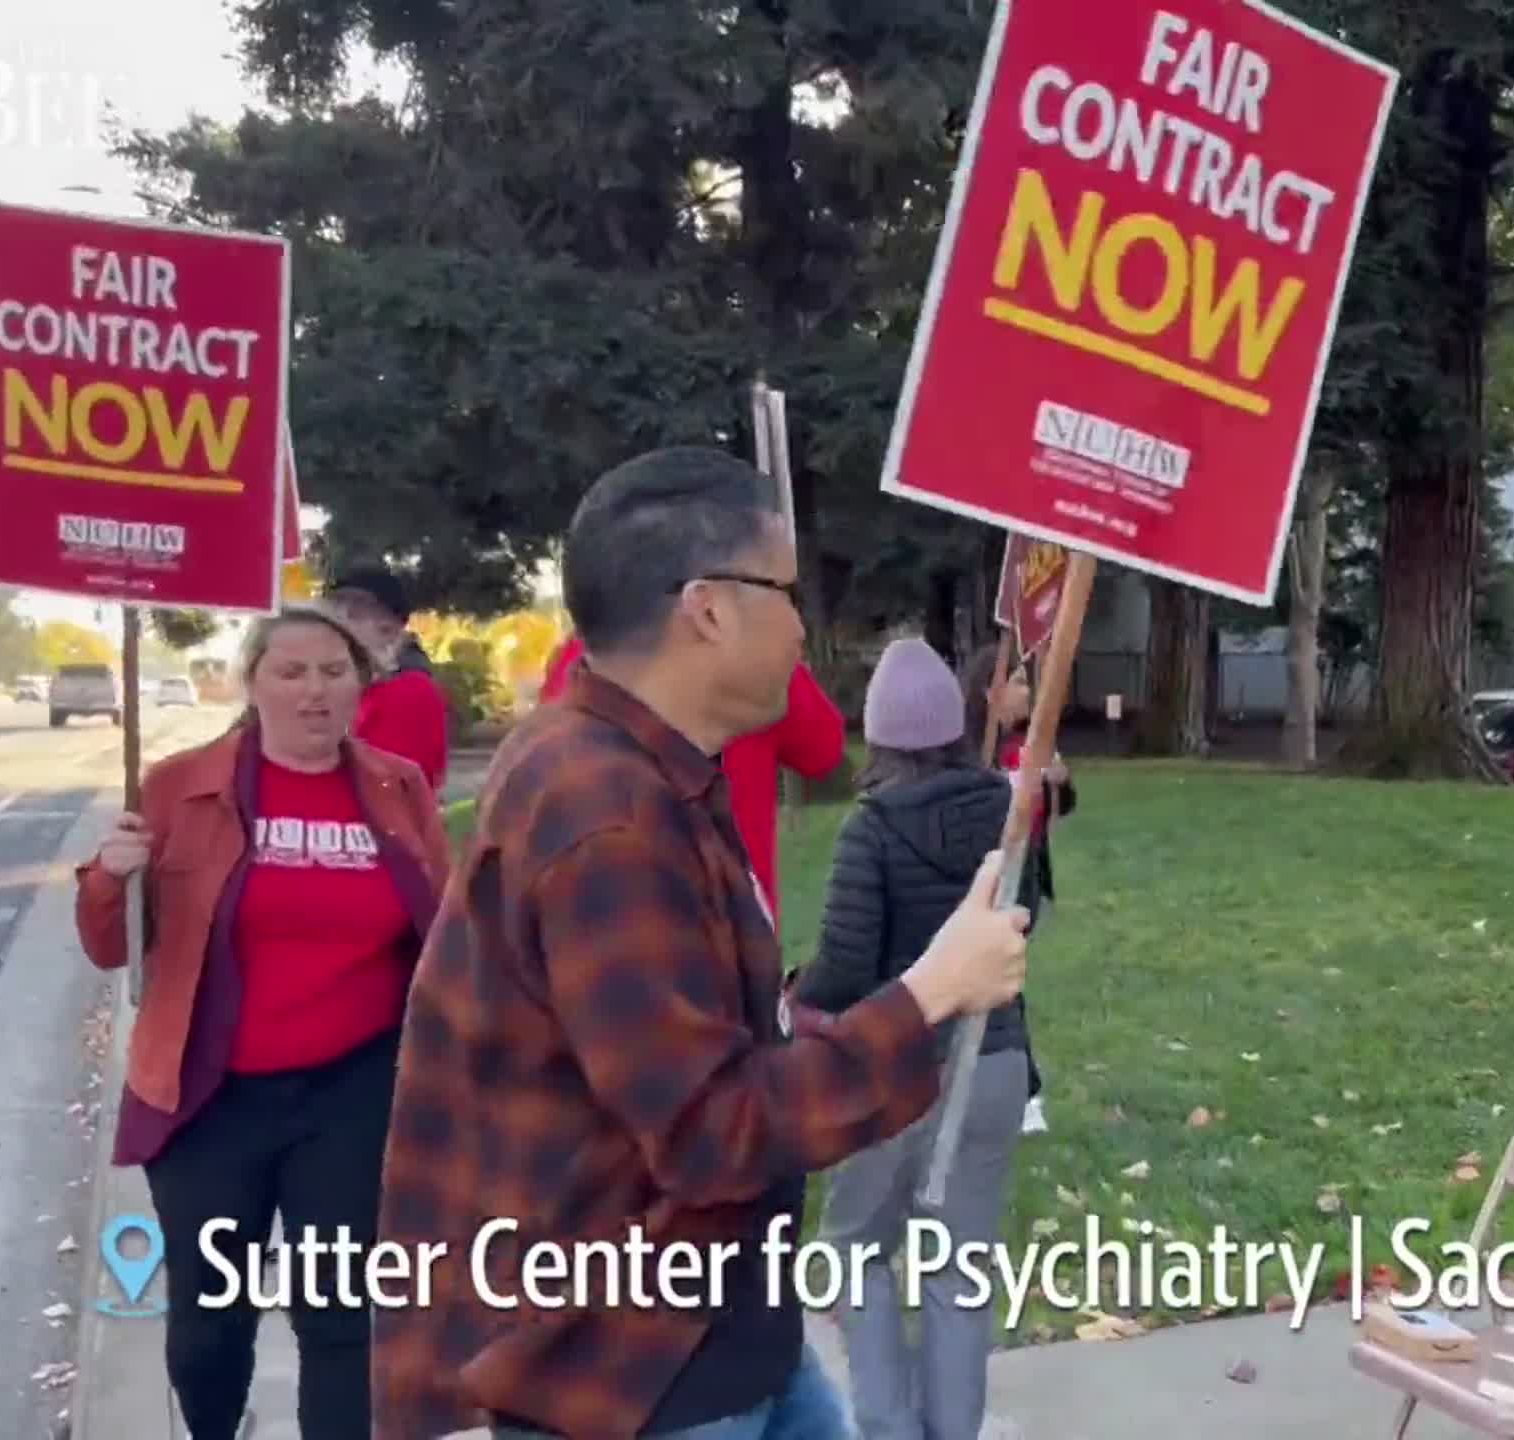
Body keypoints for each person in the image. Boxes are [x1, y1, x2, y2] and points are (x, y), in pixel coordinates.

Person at [368, 447, 1029, 1440]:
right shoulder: (607, 815)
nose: (802, 628)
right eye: (786, 593)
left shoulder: (638, 768)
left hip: (713, 1329)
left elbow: (693, 1050)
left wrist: (815, 1023)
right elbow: (711, 1132)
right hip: (631, 1372)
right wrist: (929, 993)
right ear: (709, 609)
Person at [73, 605, 450, 1440]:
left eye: (334, 671)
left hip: (354, 1094)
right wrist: (107, 879)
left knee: (340, 1314)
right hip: (209, 1094)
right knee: (209, 1321)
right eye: (291, 672)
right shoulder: (178, 786)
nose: (315, 690)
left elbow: (445, 928)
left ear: (361, 683)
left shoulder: (399, 787)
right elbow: (111, 948)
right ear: (251, 685)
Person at [792, 637, 1040, 1440]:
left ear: (880, 738)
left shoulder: (870, 831)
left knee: (853, 1250)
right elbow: (1022, 925)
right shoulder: (1009, 813)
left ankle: (891, 1428)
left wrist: (794, 996)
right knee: (959, 1266)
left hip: (895, 1068)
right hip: (995, 1061)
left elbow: (846, 966)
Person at [539, 629, 845, 916]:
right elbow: (824, 748)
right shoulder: (754, 649)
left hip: (608, 910)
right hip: (735, 917)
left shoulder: (583, 657)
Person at [964, 648, 1072, 1135]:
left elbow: (1055, 808)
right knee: (989, 985)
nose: (1029, 692)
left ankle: (1024, 1093)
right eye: (1019, 681)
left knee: (1001, 985)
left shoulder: (1030, 743)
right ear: (991, 690)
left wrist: (1056, 781)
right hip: (979, 875)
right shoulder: (970, 747)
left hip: (1019, 877)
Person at [325, 564, 451, 793]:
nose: (331, 630)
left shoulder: (410, 692)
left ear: (388, 629)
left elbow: (389, 790)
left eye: (350, 615)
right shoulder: (355, 685)